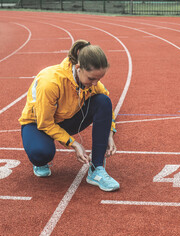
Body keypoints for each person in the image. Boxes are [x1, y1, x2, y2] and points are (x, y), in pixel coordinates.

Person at [18, 40, 119, 192]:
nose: (95, 83)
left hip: (67, 118)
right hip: (38, 123)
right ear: (78, 68)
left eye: (99, 79)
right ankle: (39, 161)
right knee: (41, 153)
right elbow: (45, 123)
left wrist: (109, 134)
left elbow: (107, 109)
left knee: (103, 101)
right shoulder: (50, 82)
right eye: (91, 79)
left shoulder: (93, 83)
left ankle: (96, 169)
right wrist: (74, 144)